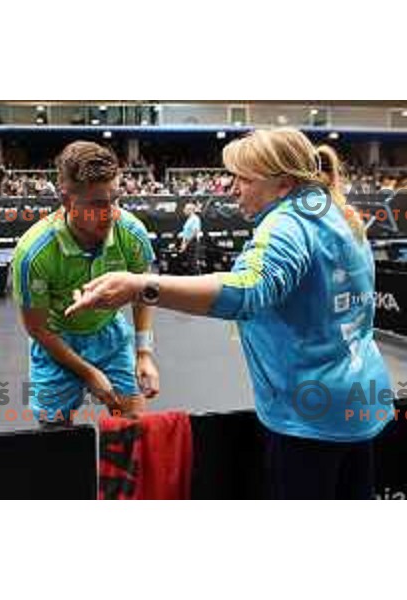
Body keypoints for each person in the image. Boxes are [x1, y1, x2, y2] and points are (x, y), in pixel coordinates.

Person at [65, 128, 393, 499]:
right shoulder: (333, 211)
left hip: (310, 420)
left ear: (283, 184)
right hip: (362, 402)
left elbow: (247, 290)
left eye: (244, 178)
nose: (232, 188)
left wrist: (142, 285)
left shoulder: (287, 224)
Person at [11, 141, 160, 426]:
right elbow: (36, 327)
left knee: (133, 423)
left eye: (115, 200)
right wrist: (89, 373)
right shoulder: (33, 253)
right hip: (56, 340)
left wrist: (144, 353)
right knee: (54, 429)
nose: (111, 213)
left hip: (109, 336)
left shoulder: (132, 232)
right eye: (97, 204)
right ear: (67, 200)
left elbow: (145, 293)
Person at [178, 201, 202, 274]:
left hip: (192, 243)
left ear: (190, 210)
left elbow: (194, 232)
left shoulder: (195, 219)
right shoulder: (189, 219)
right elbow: (186, 233)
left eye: (185, 209)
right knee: (189, 263)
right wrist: (183, 243)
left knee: (193, 263)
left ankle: (197, 280)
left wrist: (186, 243)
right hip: (187, 243)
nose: (184, 211)